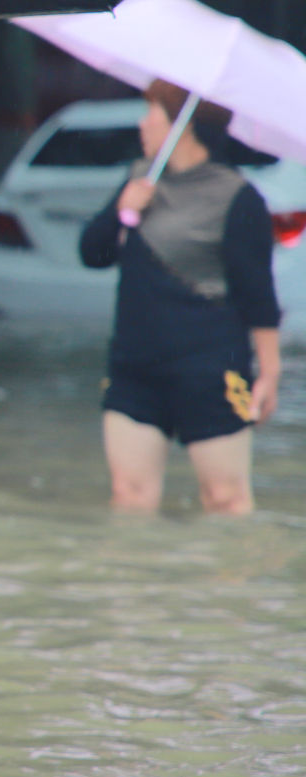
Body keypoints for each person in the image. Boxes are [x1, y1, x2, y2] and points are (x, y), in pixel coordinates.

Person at [79, 80, 281, 516]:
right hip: (134, 370)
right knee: (129, 499)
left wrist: (269, 372)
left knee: (225, 501)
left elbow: (258, 296)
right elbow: (91, 254)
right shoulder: (138, 179)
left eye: (151, 112)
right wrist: (123, 210)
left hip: (209, 373)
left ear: (181, 127)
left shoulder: (237, 198)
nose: (141, 123)